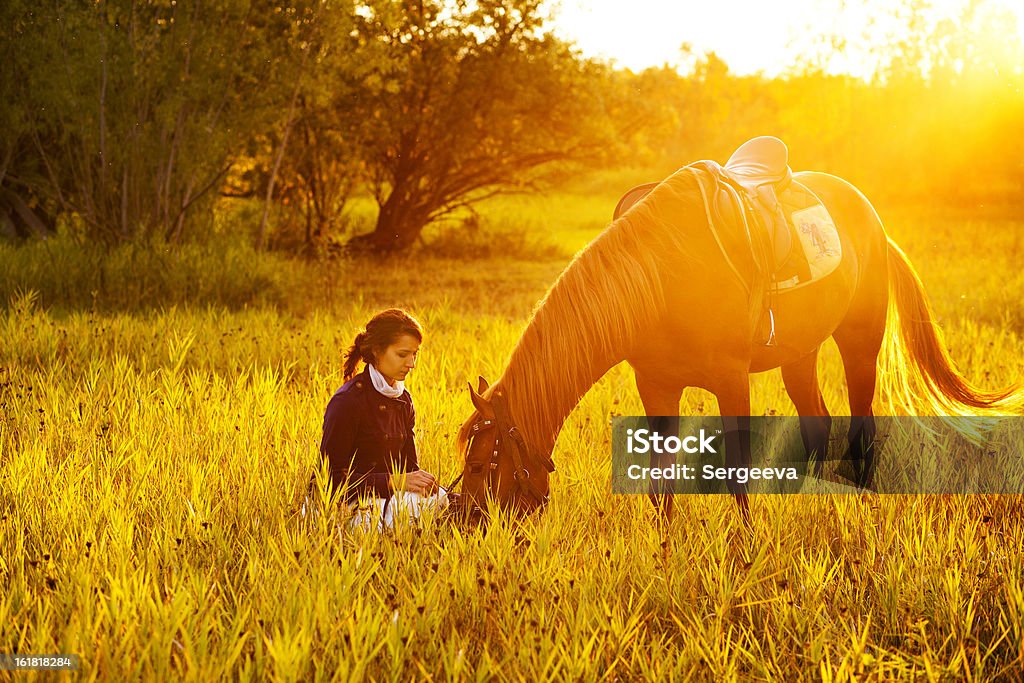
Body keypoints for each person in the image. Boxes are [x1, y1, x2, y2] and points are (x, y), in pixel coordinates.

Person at [308, 308, 448, 531]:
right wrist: (393, 481)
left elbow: (409, 468)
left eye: (415, 354)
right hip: (347, 504)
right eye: (403, 355)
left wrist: (425, 484)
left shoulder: (404, 400)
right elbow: (329, 479)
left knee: (441, 499)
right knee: (413, 511)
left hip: (389, 498)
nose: (411, 363)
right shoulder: (347, 402)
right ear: (377, 351)